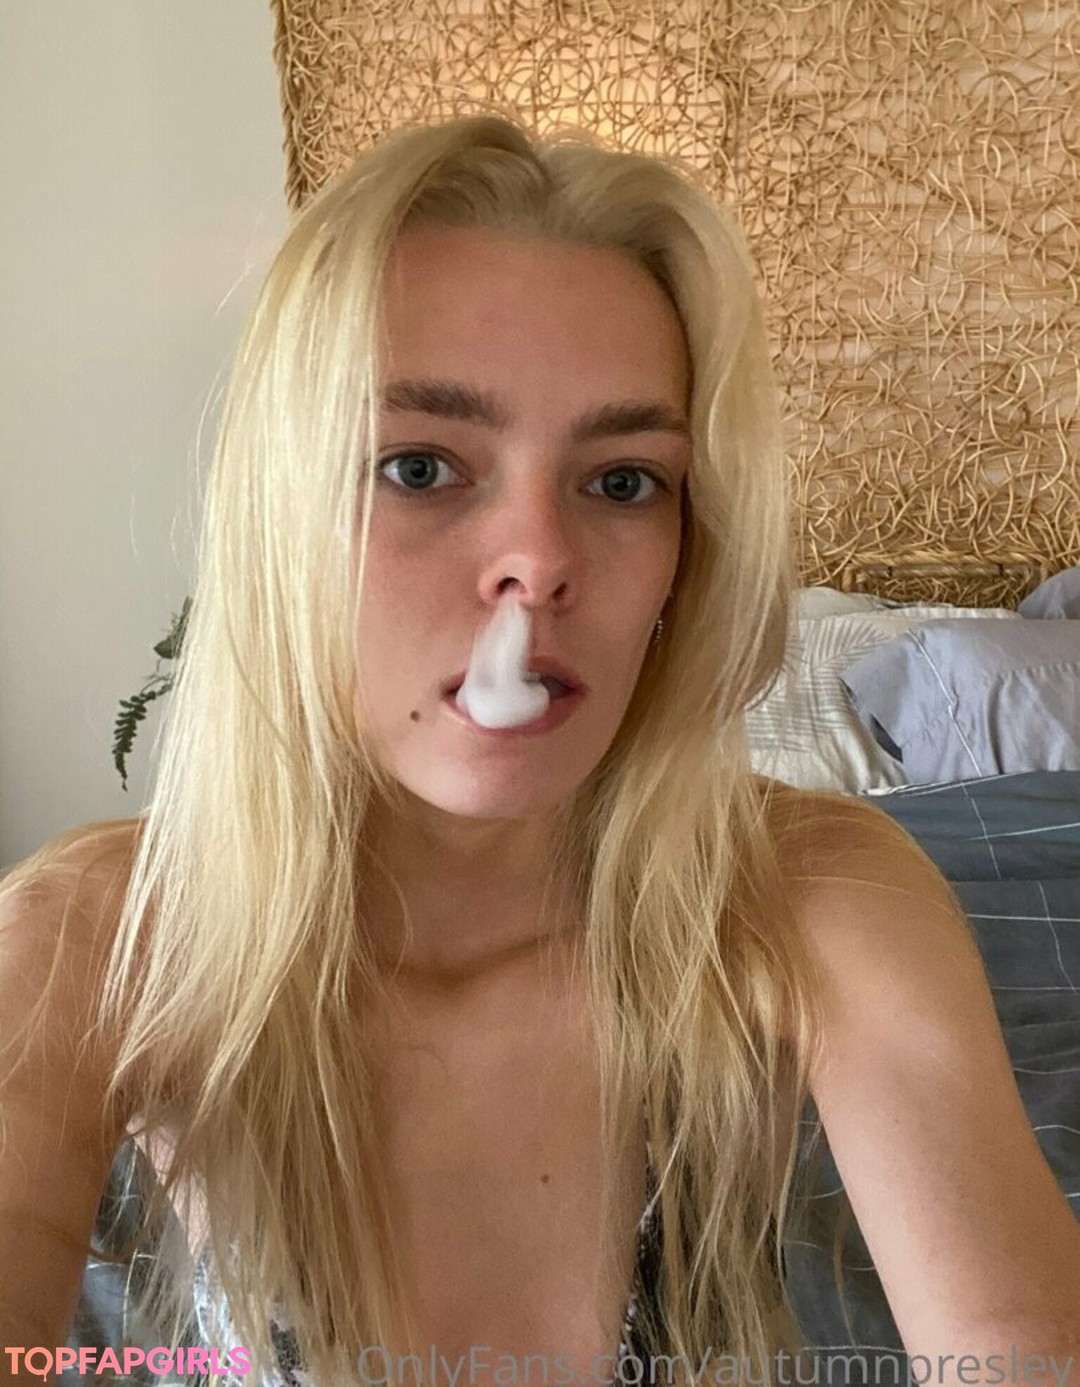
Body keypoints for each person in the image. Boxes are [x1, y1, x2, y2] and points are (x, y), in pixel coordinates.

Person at [1, 111, 1077, 1387]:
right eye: (418, 466)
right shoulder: (97, 938)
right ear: (279, 513)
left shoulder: (820, 899)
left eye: (623, 481)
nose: (539, 561)